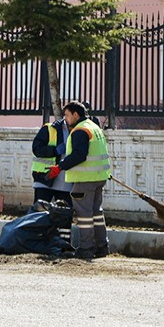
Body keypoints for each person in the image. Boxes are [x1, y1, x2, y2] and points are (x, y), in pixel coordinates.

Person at [46, 101, 111, 259]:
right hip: (99, 177)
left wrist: (59, 167)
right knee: (96, 212)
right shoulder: (94, 127)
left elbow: (79, 155)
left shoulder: (80, 131)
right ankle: (102, 247)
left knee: (84, 215)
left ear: (76, 115)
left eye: (67, 115)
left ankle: (86, 249)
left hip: (85, 179)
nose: (65, 119)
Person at [31, 117, 74, 245]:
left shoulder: (79, 130)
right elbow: (37, 149)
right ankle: (35, 242)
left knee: (65, 217)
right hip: (45, 179)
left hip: (66, 182)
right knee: (39, 215)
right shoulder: (49, 129)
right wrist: (55, 151)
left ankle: (64, 245)